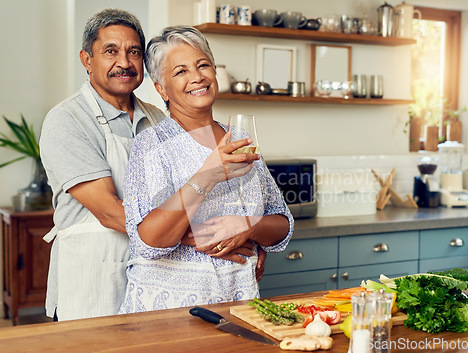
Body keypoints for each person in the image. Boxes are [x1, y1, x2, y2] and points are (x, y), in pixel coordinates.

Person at [39, 9, 265, 321]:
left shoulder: (159, 120)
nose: (124, 62)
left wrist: (246, 234)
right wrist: (204, 239)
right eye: (110, 51)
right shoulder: (67, 120)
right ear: (86, 60)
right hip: (95, 275)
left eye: (133, 51)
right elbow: (108, 210)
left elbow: (204, 192)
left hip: (155, 279)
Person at [118, 26, 293, 313]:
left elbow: (282, 224)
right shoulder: (151, 145)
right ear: (161, 88)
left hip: (239, 303)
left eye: (203, 65)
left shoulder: (240, 139)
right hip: (167, 312)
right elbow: (148, 242)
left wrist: (248, 227)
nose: (197, 77)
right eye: (180, 71)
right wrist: (207, 176)